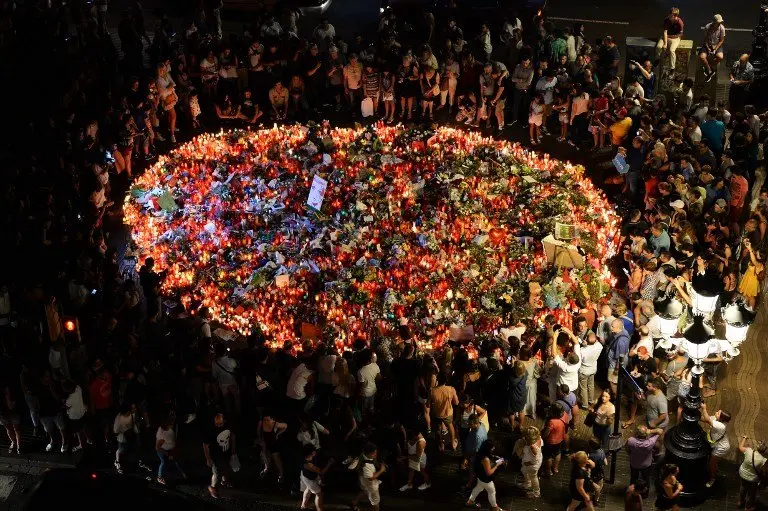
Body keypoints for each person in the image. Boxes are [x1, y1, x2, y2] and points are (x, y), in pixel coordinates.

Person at [203, 413, 236, 499]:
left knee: (226, 467)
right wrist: (208, 458)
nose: (218, 425)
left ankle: (224, 481)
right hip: (215, 455)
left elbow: (232, 436)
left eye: (220, 424)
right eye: (216, 423)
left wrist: (233, 450)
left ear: (224, 421)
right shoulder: (211, 430)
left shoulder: (228, 426)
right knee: (216, 473)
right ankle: (212, 487)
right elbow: (205, 445)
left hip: (226, 452)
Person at [465, 440, 505, 511]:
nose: (493, 449)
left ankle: (470, 501)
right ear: (488, 449)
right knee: (492, 491)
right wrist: (497, 465)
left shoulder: (479, 453)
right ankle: (495, 508)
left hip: (480, 476)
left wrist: (495, 457)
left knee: (478, 488)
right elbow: (489, 473)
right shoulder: (485, 459)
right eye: (492, 448)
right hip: (485, 479)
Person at [700, 403, 731, 487]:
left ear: (721, 418)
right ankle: (715, 468)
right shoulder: (716, 419)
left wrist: (704, 408)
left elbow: (707, 418)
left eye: (718, 413)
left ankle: (712, 478)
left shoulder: (721, 426)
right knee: (714, 462)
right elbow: (705, 419)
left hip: (721, 447)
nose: (716, 412)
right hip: (717, 444)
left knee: (711, 464)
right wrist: (696, 416)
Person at [351, 442, 386, 511]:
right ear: (370, 453)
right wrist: (381, 470)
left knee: (365, 491)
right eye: (374, 453)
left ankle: (354, 502)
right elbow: (371, 478)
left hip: (364, 480)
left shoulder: (364, 455)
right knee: (375, 502)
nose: (376, 454)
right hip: (370, 485)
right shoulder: (366, 464)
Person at [299, 445, 334, 511]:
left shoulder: (308, 457)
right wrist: (329, 464)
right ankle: (319, 508)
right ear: (310, 454)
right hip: (309, 479)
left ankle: (303, 506)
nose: (315, 451)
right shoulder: (308, 464)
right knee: (319, 494)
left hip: (306, 475)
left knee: (308, 489)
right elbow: (321, 472)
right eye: (314, 451)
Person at [737, 436, 767, 510]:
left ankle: (740, 501)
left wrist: (744, 438)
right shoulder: (763, 460)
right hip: (752, 479)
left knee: (743, 487)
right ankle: (748, 507)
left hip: (742, 473)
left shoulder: (748, 451)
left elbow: (740, 447)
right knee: (751, 493)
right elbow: (764, 471)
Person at [258, 411, 288, 482]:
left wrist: (278, 434)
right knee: (265, 456)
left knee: (276, 457)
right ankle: (266, 468)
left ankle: (281, 474)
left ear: (271, 418)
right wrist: (260, 438)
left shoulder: (274, 423)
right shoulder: (261, 422)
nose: (266, 420)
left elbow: (285, 426)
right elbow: (258, 430)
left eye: (267, 419)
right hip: (265, 443)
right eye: (264, 418)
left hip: (273, 443)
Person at [156, 414, 185, 484]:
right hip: (163, 451)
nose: (172, 425)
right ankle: (159, 477)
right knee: (163, 462)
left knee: (175, 460)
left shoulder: (169, 429)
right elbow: (157, 448)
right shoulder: (162, 434)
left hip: (170, 450)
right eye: (171, 423)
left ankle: (182, 472)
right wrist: (167, 453)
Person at [699, 15, 726, 82]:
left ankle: (711, 65)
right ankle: (709, 70)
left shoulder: (722, 28)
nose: (719, 24)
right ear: (714, 22)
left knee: (720, 57)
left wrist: (715, 49)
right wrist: (708, 48)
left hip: (717, 45)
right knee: (702, 57)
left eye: (720, 22)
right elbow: (705, 39)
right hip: (707, 44)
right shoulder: (707, 27)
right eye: (718, 22)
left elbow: (721, 40)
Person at [519, 426, 543, 498]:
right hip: (531, 463)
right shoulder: (539, 438)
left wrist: (527, 463)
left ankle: (536, 492)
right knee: (523, 470)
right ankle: (527, 484)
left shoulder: (532, 446)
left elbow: (535, 460)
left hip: (532, 465)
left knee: (533, 477)